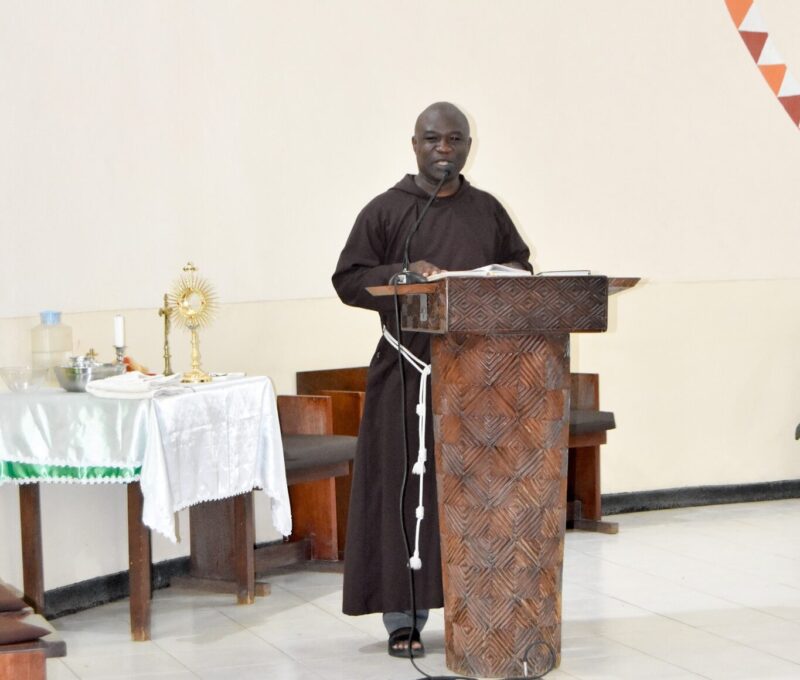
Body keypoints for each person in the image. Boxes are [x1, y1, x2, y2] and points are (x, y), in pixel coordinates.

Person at [332, 102, 532, 657]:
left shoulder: (487, 210)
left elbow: (521, 267)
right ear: (414, 144)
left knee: (480, 494)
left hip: (480, 378)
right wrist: (402, 273)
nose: (444, 148)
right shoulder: (388, 210)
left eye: (455, 139)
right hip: (407, 372)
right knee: (406, 488)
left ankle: (485, 606)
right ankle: (404, 616)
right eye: (433, 139)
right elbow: (347, 278)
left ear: (469, 144)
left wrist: (504, 275)